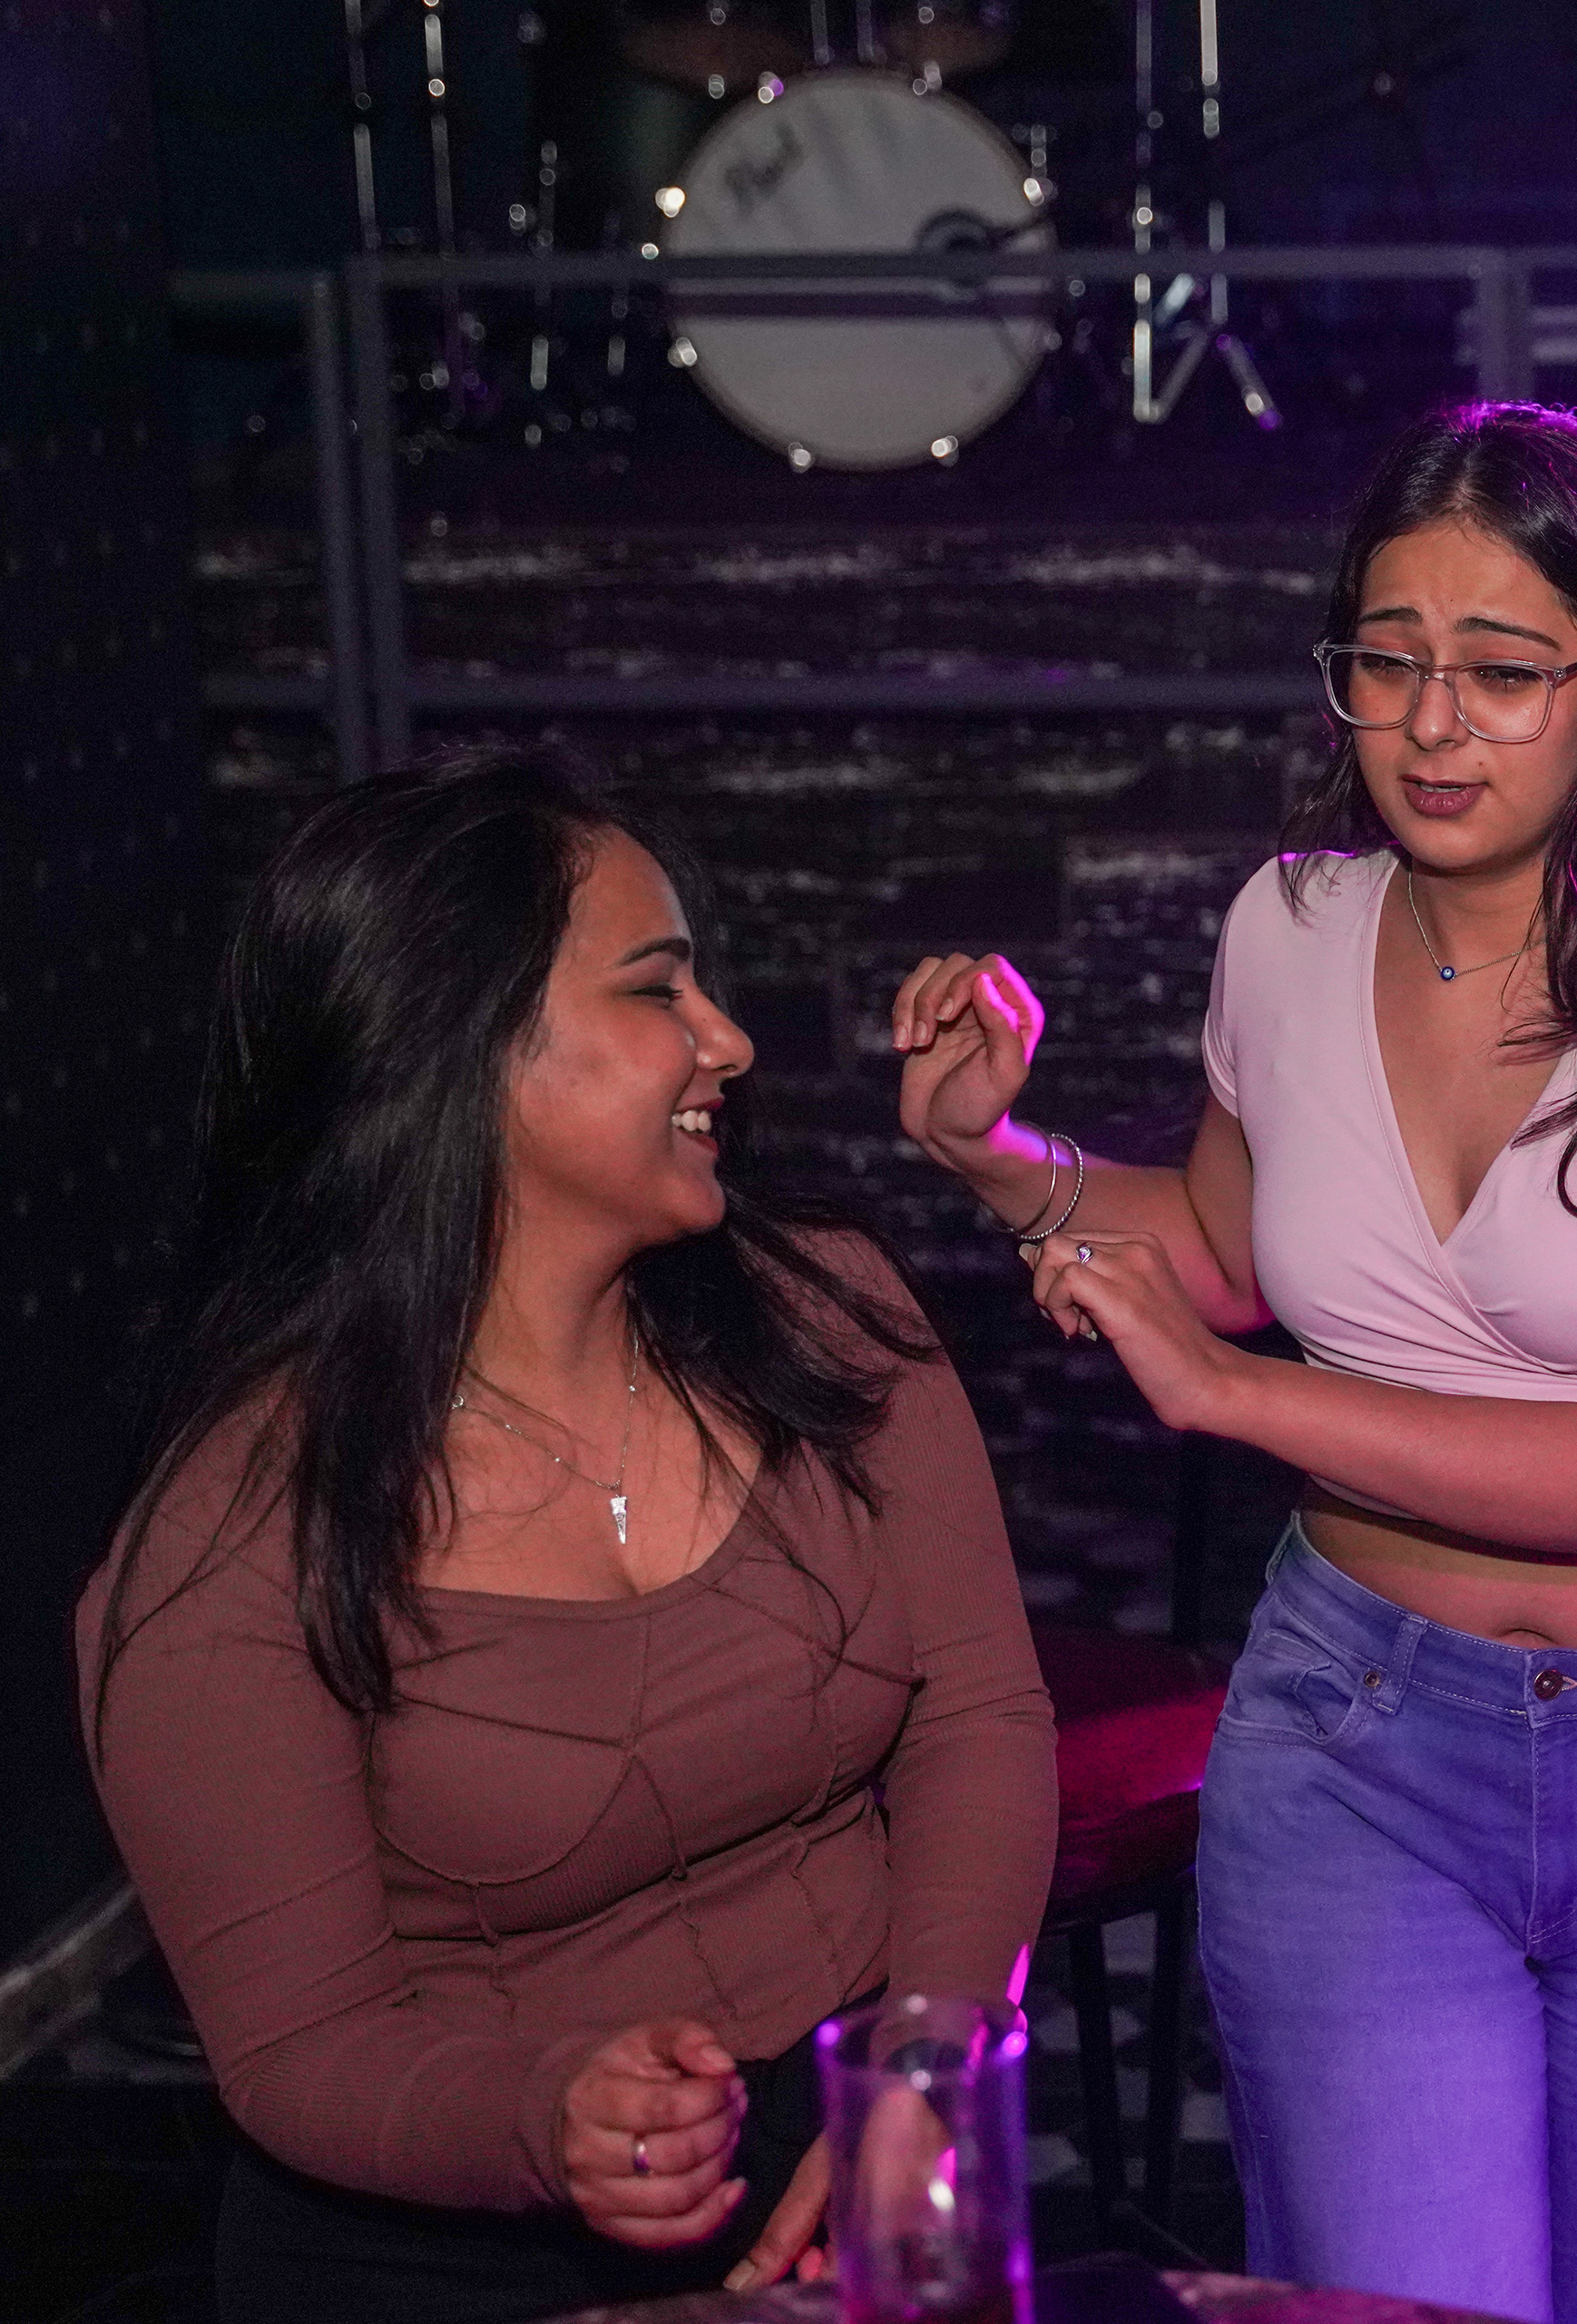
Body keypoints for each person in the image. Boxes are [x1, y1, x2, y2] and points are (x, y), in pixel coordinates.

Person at [885, 402, 1577, 2324]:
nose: (1429, 725)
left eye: (1500, 670)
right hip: (1359, 1739)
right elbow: (1225, 1253)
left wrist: (1235, 1399)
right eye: (1388, 662)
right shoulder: (1290, 924)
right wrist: (995, 1155)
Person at [79, 750, 1055, 2324]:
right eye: (658, 989)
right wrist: (546, 2116)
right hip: (446, 2244)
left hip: (849, 2150)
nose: (728, 1040)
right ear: (461, 1050)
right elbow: (300, 2045)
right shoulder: (236, 1534)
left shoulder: (828, 1317)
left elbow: (980, 1717)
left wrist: (925, 2069)